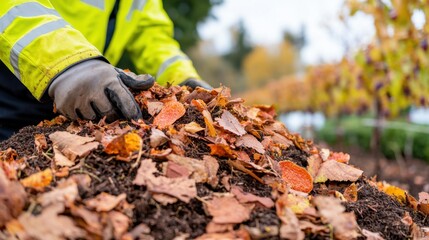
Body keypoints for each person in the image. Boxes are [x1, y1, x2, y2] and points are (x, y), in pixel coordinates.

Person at [0, 0, 211, 141]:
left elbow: (149, 33)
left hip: (85, 94)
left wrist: (182, 77)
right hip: (13, 79)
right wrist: (66, 63)